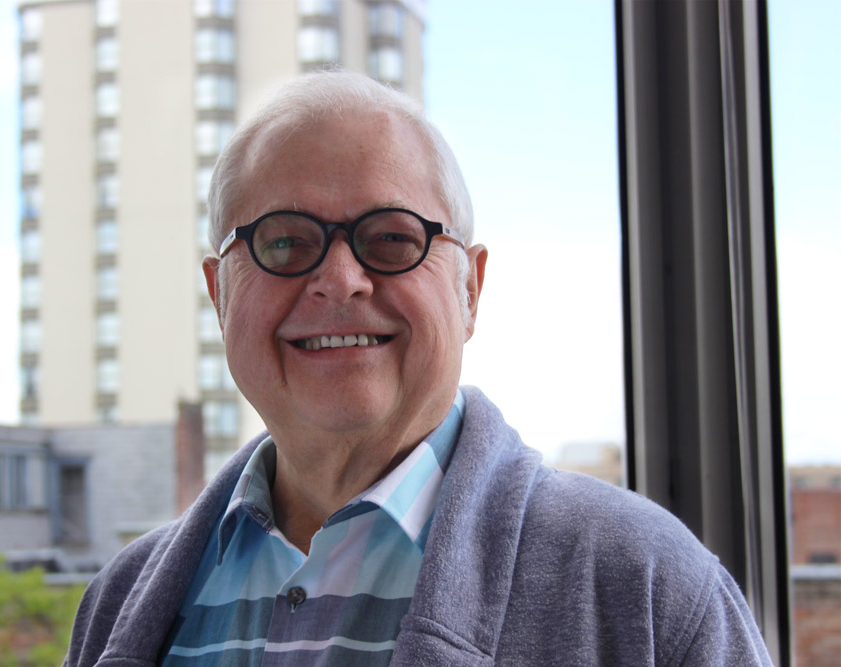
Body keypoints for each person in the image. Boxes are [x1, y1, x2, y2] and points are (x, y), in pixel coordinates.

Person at [65, 71, 772, 666]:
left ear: (471, 290)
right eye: (284, 243)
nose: (339, 280)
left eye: (392, 238)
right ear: (221, 295)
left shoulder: (647, 590)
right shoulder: (118, 602)